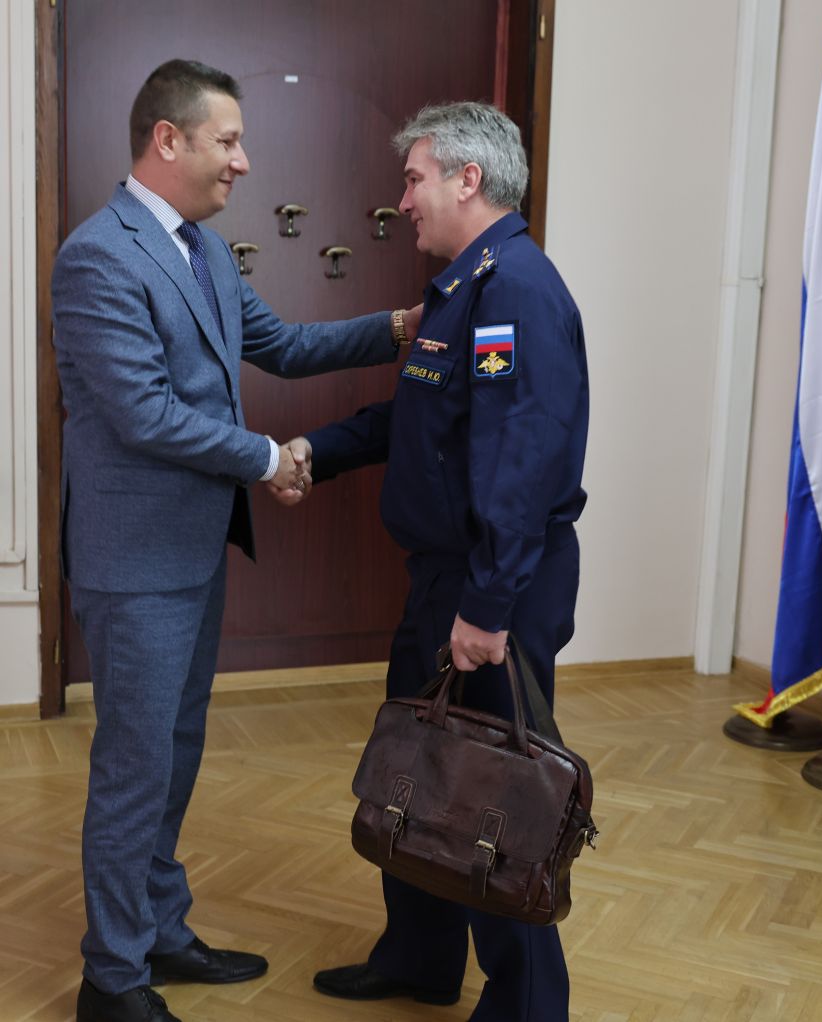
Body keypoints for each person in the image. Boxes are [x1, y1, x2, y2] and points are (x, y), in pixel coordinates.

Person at [53, 59, 420, 1022]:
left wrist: (399, 327)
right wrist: (267, 457)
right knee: (134, 770)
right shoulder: (99, 256)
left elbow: (286, 346)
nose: (243, 161)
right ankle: (111, 982)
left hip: (192, 552)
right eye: (228, 140)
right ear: (167, 140)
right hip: (134, 564)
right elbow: (143, 413)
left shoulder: (205, 251)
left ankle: (159, 933)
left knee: (173, 755)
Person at [275, 101, 589, 1022]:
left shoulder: (517, 292)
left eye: (414, 179)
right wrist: (318, 450)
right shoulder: (464, 288)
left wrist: (487, 608)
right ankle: (419, 957)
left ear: (467, 179)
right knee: (421, 767)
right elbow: (417, 421)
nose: (403, 199)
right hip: (446, 579)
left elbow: (521, 463)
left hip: (492, 584)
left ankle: (527, 1005)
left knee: (498, 795)